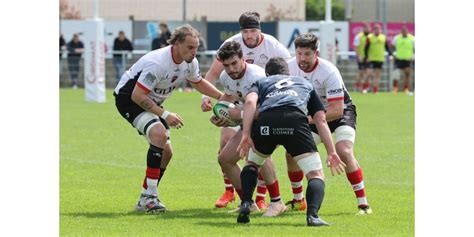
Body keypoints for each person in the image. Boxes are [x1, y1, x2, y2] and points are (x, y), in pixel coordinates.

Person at [113, 24, 223, 213]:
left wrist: (222, 97)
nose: (194, 52)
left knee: (167, 152)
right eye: (190, 47)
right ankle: (150, 199)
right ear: (177, 44)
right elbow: (137, 96)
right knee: (158, 134)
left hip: (149, 100)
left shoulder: (190, 62)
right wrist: (165, 115)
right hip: (129, 99)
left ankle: (145, 197)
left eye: (196, 47)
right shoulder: (158, 63)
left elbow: (198, 82)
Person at [236, 57, 346, 226]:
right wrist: (331, 152)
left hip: (268, 121)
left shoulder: (262, 82)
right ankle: (312, 216)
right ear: (288, 72)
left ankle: (246, 203)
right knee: (315, 174)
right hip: (295, 121)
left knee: (252, 164)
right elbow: (321, 119)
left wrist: (245, 134)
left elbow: (250, 102)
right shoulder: (303, 83)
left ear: (267, 73)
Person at [201, 11, 293, 210]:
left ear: (243, 59)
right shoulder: (227, 76)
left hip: (273, 116)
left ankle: (277, 202)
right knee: (225, 159)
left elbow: (266, 109)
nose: (231, 69)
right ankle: (248, 202)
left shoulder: (258, 77)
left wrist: (239, 116)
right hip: (250, 119)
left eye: (234, 64)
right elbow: (230, 95)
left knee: (259, 153)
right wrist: (220, 112)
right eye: (227, 66)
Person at [287, 33, 373, 215]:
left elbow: (336, 110)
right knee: (292, 152)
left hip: (341, 112)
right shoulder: (289, 67)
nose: (302, 59)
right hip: (313, 115)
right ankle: (298, 200)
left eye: (307, 54)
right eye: (299, 53)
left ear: (316, 53)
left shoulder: (328, 71)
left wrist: (304, 119)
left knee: (344, 151)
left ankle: (363, 204)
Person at [364, 24, 392, 94]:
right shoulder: (369, 37)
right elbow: (366, 48)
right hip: (371, 58)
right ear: (374, 30)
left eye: (378, 29)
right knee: (369, 73)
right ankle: (366, 87)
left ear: (380, 30)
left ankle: (375, 90)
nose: (377, 30)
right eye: (376, 29)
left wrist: (390, 54)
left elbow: (387, 47)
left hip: (380, 59)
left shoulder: (383, 37)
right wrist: (366, 57)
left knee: (377, 75)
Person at [391, 26, 415, 94]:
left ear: (407, 31)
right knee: (396, 74)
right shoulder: (396, 38)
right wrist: (393, 54)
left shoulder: (412, 38)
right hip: (398, 59)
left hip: (408, 59)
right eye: (403, 31)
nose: (404, 32)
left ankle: (406, 88)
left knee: (407, 74)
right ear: (401, 31)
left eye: (405, 31)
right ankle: (395, 88)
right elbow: (392, 47)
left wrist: (413, 56)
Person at [352, 24, 371, 93]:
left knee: (368, 72)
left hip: (369, 57)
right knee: (361, 73)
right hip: (361, 57)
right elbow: (356, 47)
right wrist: (358, 56)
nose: (368, 30)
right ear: (364, 29)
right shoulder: (359, 36)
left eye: (369, 28)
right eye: (366, 28)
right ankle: (357, 86)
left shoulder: (371, 36)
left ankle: (364, 86)